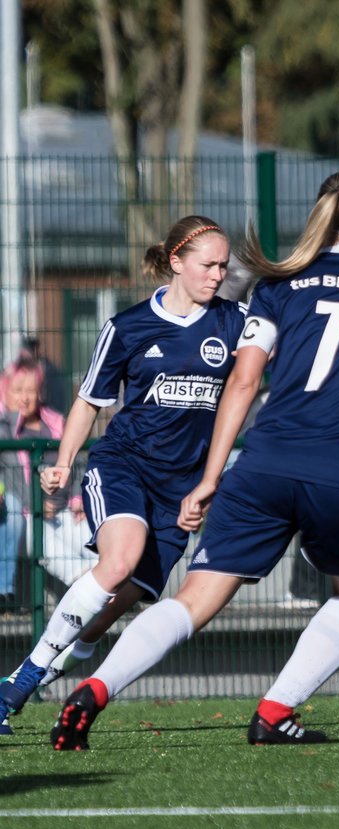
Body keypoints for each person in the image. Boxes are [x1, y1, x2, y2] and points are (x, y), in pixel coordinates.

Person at [47, 169, 339, 750]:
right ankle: (274, 712)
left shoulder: (276, 285)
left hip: (263, 463)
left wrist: (212, 477)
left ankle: (95, 689)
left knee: (194, 599)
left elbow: (241, 382)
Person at [0, 216, 245, 736]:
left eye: (224, 266)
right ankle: (18, 686)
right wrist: (65, 462)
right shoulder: (128, 326)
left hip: (183, 489)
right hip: (124, 466)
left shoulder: (235, 323)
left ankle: (46, 664)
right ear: (176, 262)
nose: (218, 275)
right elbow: (90, 399)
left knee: (112, 608)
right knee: (120, 561)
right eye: (208, 264)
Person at [0, 360, 66, 608]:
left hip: (59, 504)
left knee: (79, 529)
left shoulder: (56, 423)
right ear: (5, 393)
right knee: (36, 530)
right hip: (26, 508)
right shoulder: (5, 427)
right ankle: (4, 592)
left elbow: (76, 463)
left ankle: (111, 583)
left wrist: (77, 499)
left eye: (31, 390)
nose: (25, 398)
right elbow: (12, 476)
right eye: (17, 391)